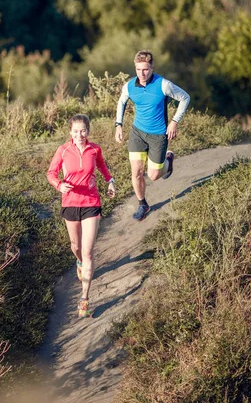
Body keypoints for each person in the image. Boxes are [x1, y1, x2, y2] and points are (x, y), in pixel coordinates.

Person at [47, 114, 115, 318]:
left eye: (83, 130)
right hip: (70, 203)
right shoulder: (63, 150)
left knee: (88, 252)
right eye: (76, 131)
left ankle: (84, 298)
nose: (79, 134)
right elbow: (51, 173)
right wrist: (59, 185)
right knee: (75, 247)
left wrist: (110, 181)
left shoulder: (95, 149)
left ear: (88, 131)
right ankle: (79, 262)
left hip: (91, 203)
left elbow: (102, 167)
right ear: (70, 132)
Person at [115, 50, 190, 221]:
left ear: (152, 68)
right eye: (138, 69)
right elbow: (121, 102)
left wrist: (174, 121)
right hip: (137, 133)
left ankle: (168, 161)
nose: (142, 73)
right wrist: (118, 125)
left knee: (154, 175)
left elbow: (185, 97)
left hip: (158, 135)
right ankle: (143, 204)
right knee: (136, 172)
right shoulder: (129, 86)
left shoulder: (163, 84)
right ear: (135, 68)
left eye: (146, 70)